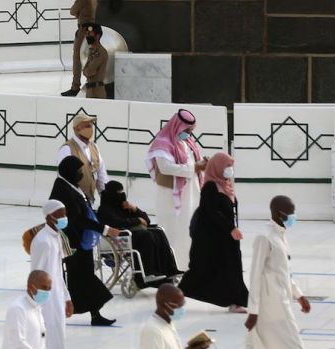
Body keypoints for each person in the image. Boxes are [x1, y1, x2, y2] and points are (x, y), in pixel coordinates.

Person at [222, 195, 311, 349]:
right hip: (271, 306)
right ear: (278, 213)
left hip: (281, 300)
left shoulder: (280, 235)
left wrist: (299, 295)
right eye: (290, 212)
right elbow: (255, 275)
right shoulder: (265, 237)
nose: (292, 216)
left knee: (254, 347)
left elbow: (284, 272)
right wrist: (253, 310)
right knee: (293, 346)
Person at [50, 156, 117, 326]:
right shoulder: (62, 190)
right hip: (73, 243)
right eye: (79, 171)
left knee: (83, 276)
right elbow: (77, 219)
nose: (81, 174)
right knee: (81, 277)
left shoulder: (70, 186)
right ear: (69, 171)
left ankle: (95, 315)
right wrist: (104, 229)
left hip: (80, 241)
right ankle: (89, 312)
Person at [180, 151, 249, 311]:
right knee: (203, 269)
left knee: (232, 267)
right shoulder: (210, 187)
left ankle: (236, 301)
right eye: (227, 166)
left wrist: (232, 229)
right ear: (218, 167)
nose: (229, 170)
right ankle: (174, 294)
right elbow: (211, 212)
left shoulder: (226, 185)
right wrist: (230, 228)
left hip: (227, 236)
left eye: (231, 166)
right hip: (211, 238)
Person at [145, 109, 208, 265]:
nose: (189, 134)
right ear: (178, 126)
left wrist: (203, 164)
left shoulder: (188, 143)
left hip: (191, 195)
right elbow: (166, 168)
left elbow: (194, 164)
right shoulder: (163, 143)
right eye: (187, 131)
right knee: (171, 231)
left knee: (188, 231)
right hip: (170, 198)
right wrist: (195, 167)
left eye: (191, 131)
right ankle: (170, 266)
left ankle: (186, 265)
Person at [28, 199, 74, 349]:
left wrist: (67, 298)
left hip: (55, 298)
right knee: (50, 343)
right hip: (45, 301)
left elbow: (57, 272)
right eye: (61, 214)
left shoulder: (54, 237)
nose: (64, 218)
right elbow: (36, 274)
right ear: (49, 216)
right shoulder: (43, 241)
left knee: (58, 342)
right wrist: (35, 304)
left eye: (65, 213)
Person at [98, 180, 179, 283]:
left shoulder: (124, 206)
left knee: (158, 232)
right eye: (119, 192)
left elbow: (147, 221)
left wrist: (135, 209)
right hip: (119, 237)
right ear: (112, 194)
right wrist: (137, 220)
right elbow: (116, 223)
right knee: (147, 236)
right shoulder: (104, 209)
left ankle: (170, 270)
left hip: (131, 235)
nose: (122, 195)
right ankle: (148, 272)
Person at [56, 112, 108, 203]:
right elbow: (64, 179)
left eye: (91, 126)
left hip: (89, 201)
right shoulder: (67, 148)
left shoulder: (94, 147)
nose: (90, 129)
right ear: (76, 129)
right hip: (73, 202)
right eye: (86, 126)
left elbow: (101, 175)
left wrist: (106, 198)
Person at [62, 0, 97, 96]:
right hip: (94, 28)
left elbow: (72, 11)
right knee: (92, 56)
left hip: (84, 30)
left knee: (77, 57)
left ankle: (75, 86)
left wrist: (79, 13)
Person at [79, 22, 109, 99]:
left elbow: (89, 71)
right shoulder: (92, 50)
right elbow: (86, 71)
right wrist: (86, 71)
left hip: (97, 92)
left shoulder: (100, 52)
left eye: (90, 33)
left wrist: (86, 71)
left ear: (97, 36)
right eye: (86, 33)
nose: (87, 35)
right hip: (90, 90)